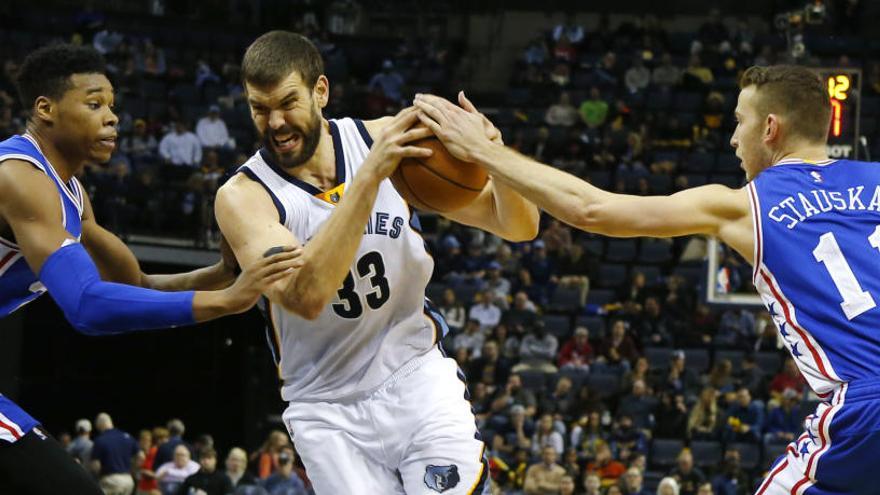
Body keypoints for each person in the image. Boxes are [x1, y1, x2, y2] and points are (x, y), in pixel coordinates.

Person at [414, 65, 880, 494]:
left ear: (770, 128)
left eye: (739, 122)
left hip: (865, 403)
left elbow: (591, 209)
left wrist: (484, 151)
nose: (734, 139)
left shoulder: (743, 205)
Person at [215, 31, 538, 494]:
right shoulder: (244, 198)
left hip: (414, 374)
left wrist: (496, 156)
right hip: (326, 408)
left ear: (320, 91)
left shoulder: (386, 139)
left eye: (288, 103)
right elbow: (306, 297)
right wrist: (369, 176)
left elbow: (518, 226)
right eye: (259, 109)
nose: (276, 122)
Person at [0, 44, 300, 495]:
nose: (113, 117)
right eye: (94, 103)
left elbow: (133, 285)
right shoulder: (20, 178)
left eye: (113, 106)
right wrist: (223, 302)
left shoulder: (74, 197)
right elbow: (87, 306)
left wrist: (222, 275)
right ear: (46, 109)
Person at [90, 412, 139, 495]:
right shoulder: (127, 436)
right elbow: (141, 456)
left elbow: (96, 466)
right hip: (128, 480)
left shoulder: (100, 440)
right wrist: (133, 470)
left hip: (110, 480)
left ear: (99, 424)